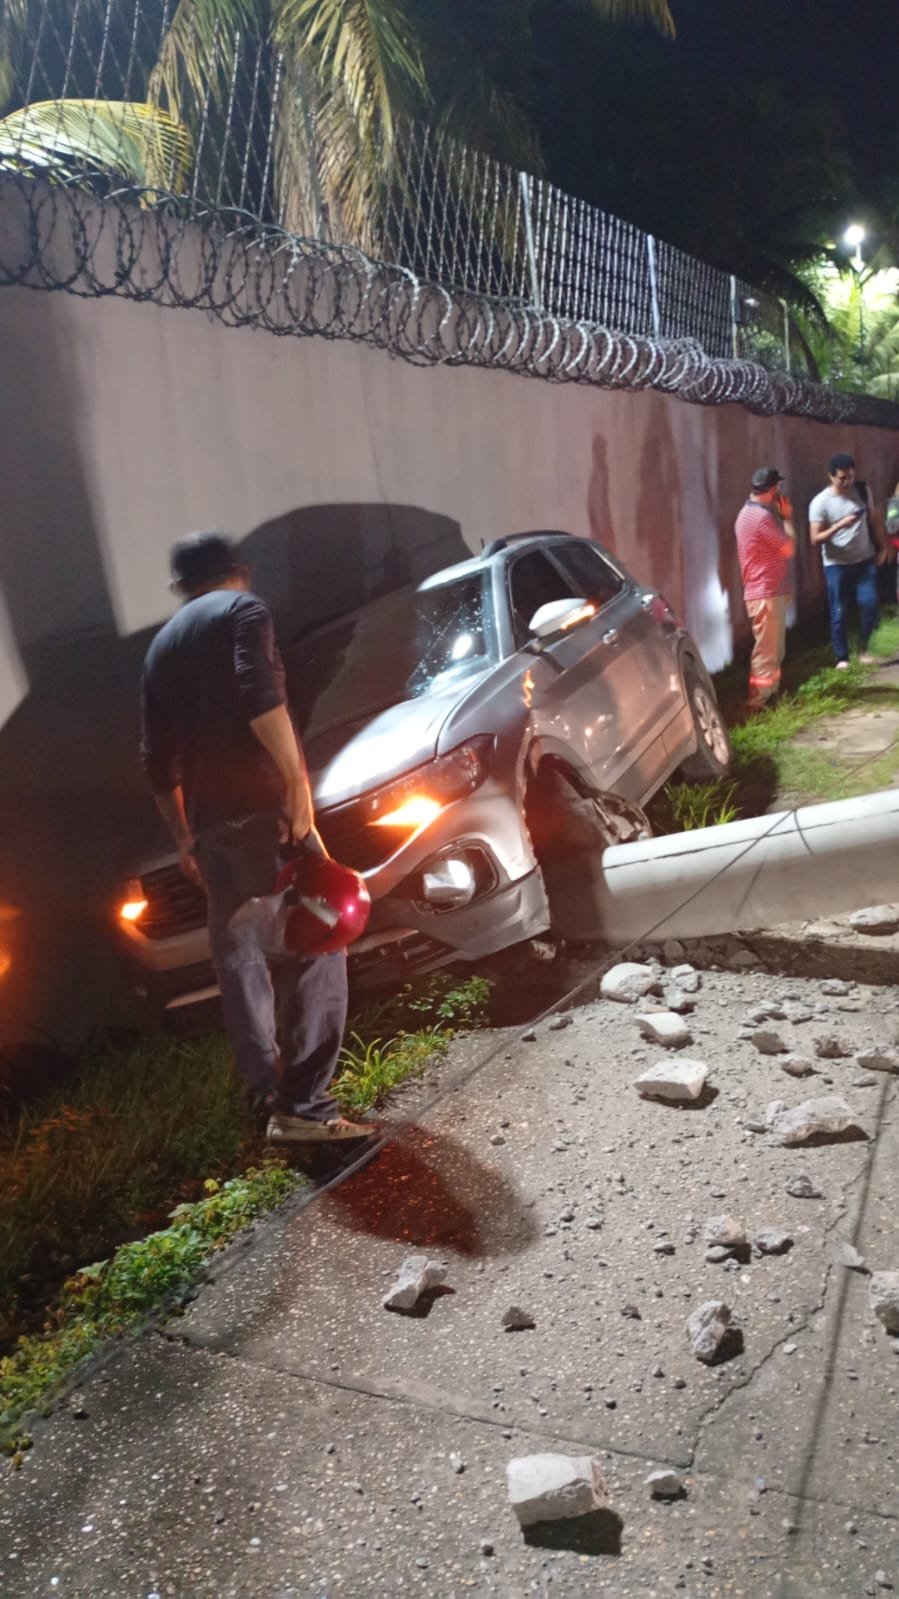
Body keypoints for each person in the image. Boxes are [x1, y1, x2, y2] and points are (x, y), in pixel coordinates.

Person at [140, 531, 375, 1143]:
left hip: (214, 827)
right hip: (263, 811)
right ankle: (308, 1110)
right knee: (318, 942)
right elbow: (259, 696)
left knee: (242, 958)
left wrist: (186, 837)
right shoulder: (245, 610)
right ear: (238, 571)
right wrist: (297, 786)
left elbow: (156, 762)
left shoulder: (159, 650)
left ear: (179, 587)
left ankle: (268, 1100)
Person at [808, 453, 888, 669]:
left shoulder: (862, 491)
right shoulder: (820, 502)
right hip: (836, 565)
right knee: (839, 611)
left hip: (864, 560)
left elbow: (874, 519)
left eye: (850, 477)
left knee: (869, 603)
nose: (847, 482)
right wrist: (839, 526)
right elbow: (815, 538)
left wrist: (882, 546)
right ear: (831, 477)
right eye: (842, 478)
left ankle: (863, 649)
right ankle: (842, 657)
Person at [734, 466, 796, 712]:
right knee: (767, 651)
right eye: (778, 488)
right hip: (766, 592)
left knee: (773, 649)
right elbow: (788, 549)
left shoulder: (747, 514)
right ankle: (757, 703)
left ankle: (771, 694)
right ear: (773, 489)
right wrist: (787, 518)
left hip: (765, 591)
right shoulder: (762, 518)